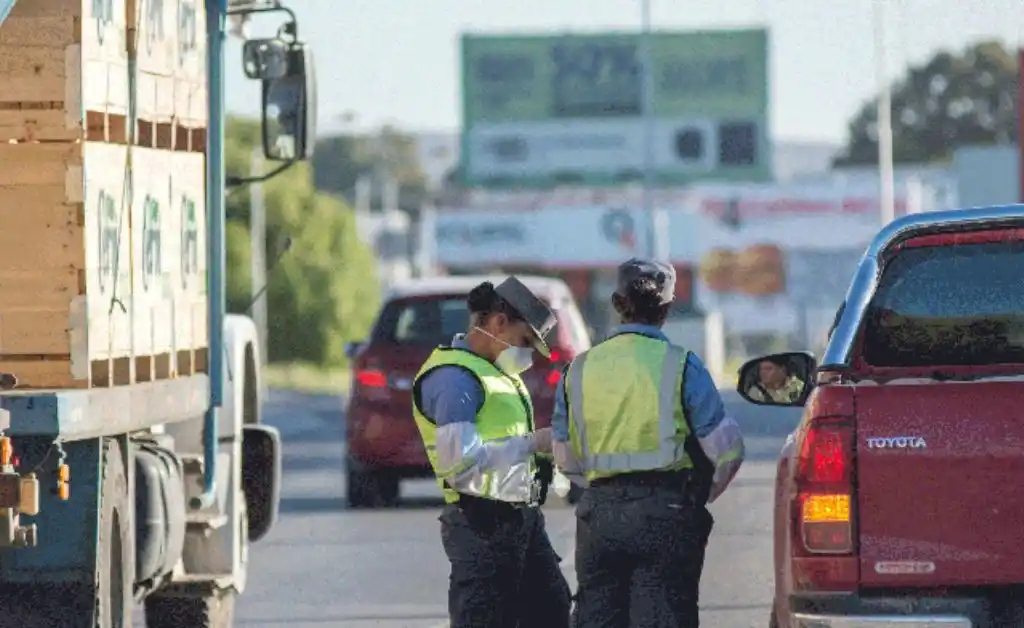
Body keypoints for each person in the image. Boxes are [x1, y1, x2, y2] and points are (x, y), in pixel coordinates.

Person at [552, 258, 746, 628]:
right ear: (667, 309)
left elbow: (565, 459)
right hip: (667, 512)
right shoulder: (681, 365)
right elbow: (728, 450)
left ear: (617, 302)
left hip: (600, 515)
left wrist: (601, 484)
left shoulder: (578, 370)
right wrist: (698, 496)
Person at [411, 276, 572, 628]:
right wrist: (534, 442)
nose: (527, 353)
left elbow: (506, 442)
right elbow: (462, 465)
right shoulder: (455, 379)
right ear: (498, 322)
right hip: (482, 525)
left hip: (521, 520)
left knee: (553, 612)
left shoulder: (496, 372)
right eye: (524, 340)